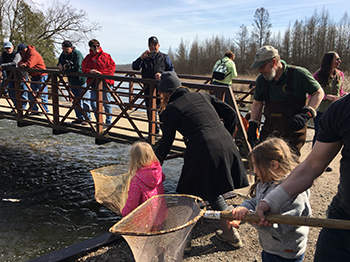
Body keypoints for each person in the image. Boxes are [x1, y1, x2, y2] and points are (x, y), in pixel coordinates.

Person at [155, 71, 249, 248]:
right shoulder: (203, 96)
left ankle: (185, 241)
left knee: (186, 194)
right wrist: (227, 135)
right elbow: (231, 114)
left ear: (165, 92)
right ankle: (231, 234)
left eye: (161, 93)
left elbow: (166, 142)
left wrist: (155, 163)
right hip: (226, 144)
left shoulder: (171, 109)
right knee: (212, 190)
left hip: (203, 150)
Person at [255, 93, 350, 261]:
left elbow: (283, 227)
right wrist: (271, 201)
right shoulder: (343, 108)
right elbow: (312, 166)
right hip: (343, 217)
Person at [229, 137, 311, 262]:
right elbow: (256, 200)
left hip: (285, 252)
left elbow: (282, 228)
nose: (254, 171)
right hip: (270, 247)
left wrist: (251, 218)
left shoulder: (295, 193)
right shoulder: (266, 182)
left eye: (256, 166)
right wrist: (243, 207)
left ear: (274, 165)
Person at [247, 45, 324, 155]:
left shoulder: (298, 74)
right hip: (269, 131)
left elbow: (318, 93)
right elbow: (257, 104)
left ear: (273, 62)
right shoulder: (261, 80)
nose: (259, 71)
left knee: (286, 166)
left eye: (262, 67)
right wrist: (253, 125)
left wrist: (306, 114)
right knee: (263, 165)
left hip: (293, 133)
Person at [132, 36, 174, 134]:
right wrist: (141, 58)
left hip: (162, 90)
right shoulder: (145, 58)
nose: (153, 47)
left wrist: (162, 75)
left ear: (158, 46)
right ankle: (153, 133)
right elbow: (134, 67)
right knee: (150, 112)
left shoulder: (165, 57)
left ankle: (165, 134)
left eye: (154, 45)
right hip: (148, 90)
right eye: (151, 45)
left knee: (163, 112)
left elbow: (172, 72)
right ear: (148, 46)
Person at [312, 52, 347, 151]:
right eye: (337, 59)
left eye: (339, 59)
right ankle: (314, 162)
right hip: (321, 112)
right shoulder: (317, 75)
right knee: (319, 136)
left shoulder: (340, 75)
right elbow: (311, 94)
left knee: (333, 139)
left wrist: (344, 95)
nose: (339, 61)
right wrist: (326, 97)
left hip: (336, 113)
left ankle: (325, 163)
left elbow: (340, 91)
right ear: (329, 61)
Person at [121, 141, 165, 217]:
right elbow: (163, 178)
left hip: (144, 220)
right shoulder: (158, 172)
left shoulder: (137, 180)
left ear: (134, 160)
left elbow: (132, 203)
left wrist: (124, 213)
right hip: (160, 215)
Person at [82, 39, 116, 125]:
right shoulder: (88, 58)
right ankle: (99, 121)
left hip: (106, 82)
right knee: (93, 103)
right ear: (90, 47)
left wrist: (101, 73)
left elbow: (112, 67)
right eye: (94, 46)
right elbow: (83, 68)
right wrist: (90, 71)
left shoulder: (106, 56)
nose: (96, 47)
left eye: (98, 45)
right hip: (94, 83)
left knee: (106, 103)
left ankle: (108, 121)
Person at [58, 40, 91, 125]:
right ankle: (79, 118)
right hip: (72, 80)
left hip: (81, 80)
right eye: (63, 49)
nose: (65, 52)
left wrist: (66, 69)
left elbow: (77, 67)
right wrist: (60, 66)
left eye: (66, 50)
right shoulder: (63, 54)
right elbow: (60, 62)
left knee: (85, 100)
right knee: (75, 100)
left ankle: (87, 119)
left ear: (71, 48)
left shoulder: (77, 54)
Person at [17, 44, 49, 114]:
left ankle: (45, 111)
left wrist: (24, 65)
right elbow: (19, 63)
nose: (20, 54)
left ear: (24, 50)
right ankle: (34, 110)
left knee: (43, 95)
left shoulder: (33, 53)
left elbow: (30, 65)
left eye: (20, 52)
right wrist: (22, 64)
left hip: (41, 76)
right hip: (34, 77)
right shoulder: (25, 55)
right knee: (31, 94)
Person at [0, 41, 28, 109]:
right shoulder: (3, 54)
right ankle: (17, 107)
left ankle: (22, 108)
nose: (8, 49)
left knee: (23, 93)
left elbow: (15, 63)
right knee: (11, 93)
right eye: (6, 48)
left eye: (9, 48)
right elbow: (0, 62)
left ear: (12, 47)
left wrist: (3, 65)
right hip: (10, 76)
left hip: (21, 76)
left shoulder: (16, 54)